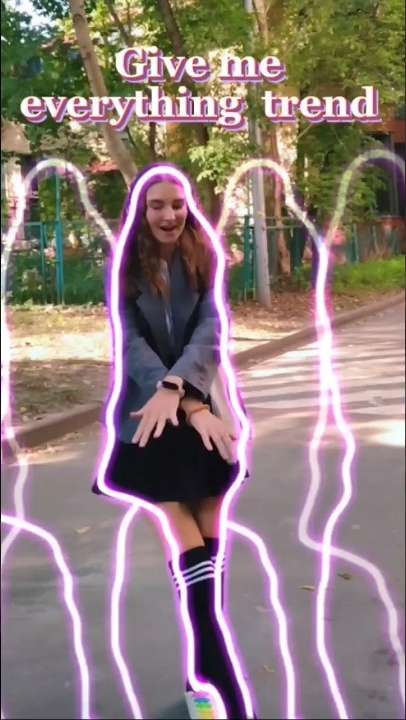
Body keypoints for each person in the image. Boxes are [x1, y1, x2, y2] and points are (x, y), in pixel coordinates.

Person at [92, 162, 256, 719]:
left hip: (204, 413)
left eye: (177, 204)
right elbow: (130, 342)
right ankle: (227, 699)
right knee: (195, 572)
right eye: (157, 205)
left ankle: (199, 685)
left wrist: (181, 392)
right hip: (148, 421)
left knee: (207, 575)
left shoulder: (203, 257)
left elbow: (210, 333)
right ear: (141, 212)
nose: (169, 214)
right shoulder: (124, 268)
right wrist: (166, 392)